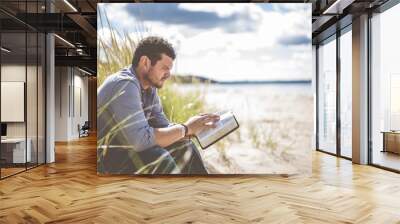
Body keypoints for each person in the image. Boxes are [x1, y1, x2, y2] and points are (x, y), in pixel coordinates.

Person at [97, 36, 219, 174]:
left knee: (183, 145)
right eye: (164, 68)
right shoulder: (125, 84)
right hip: (103, 159)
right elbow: (140, 141)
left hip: (126, 152)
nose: (168, 75)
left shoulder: (149, 88)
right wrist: (185, 128)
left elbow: (163, 127)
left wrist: (194, 129)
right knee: (158, 157)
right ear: (145, 62)